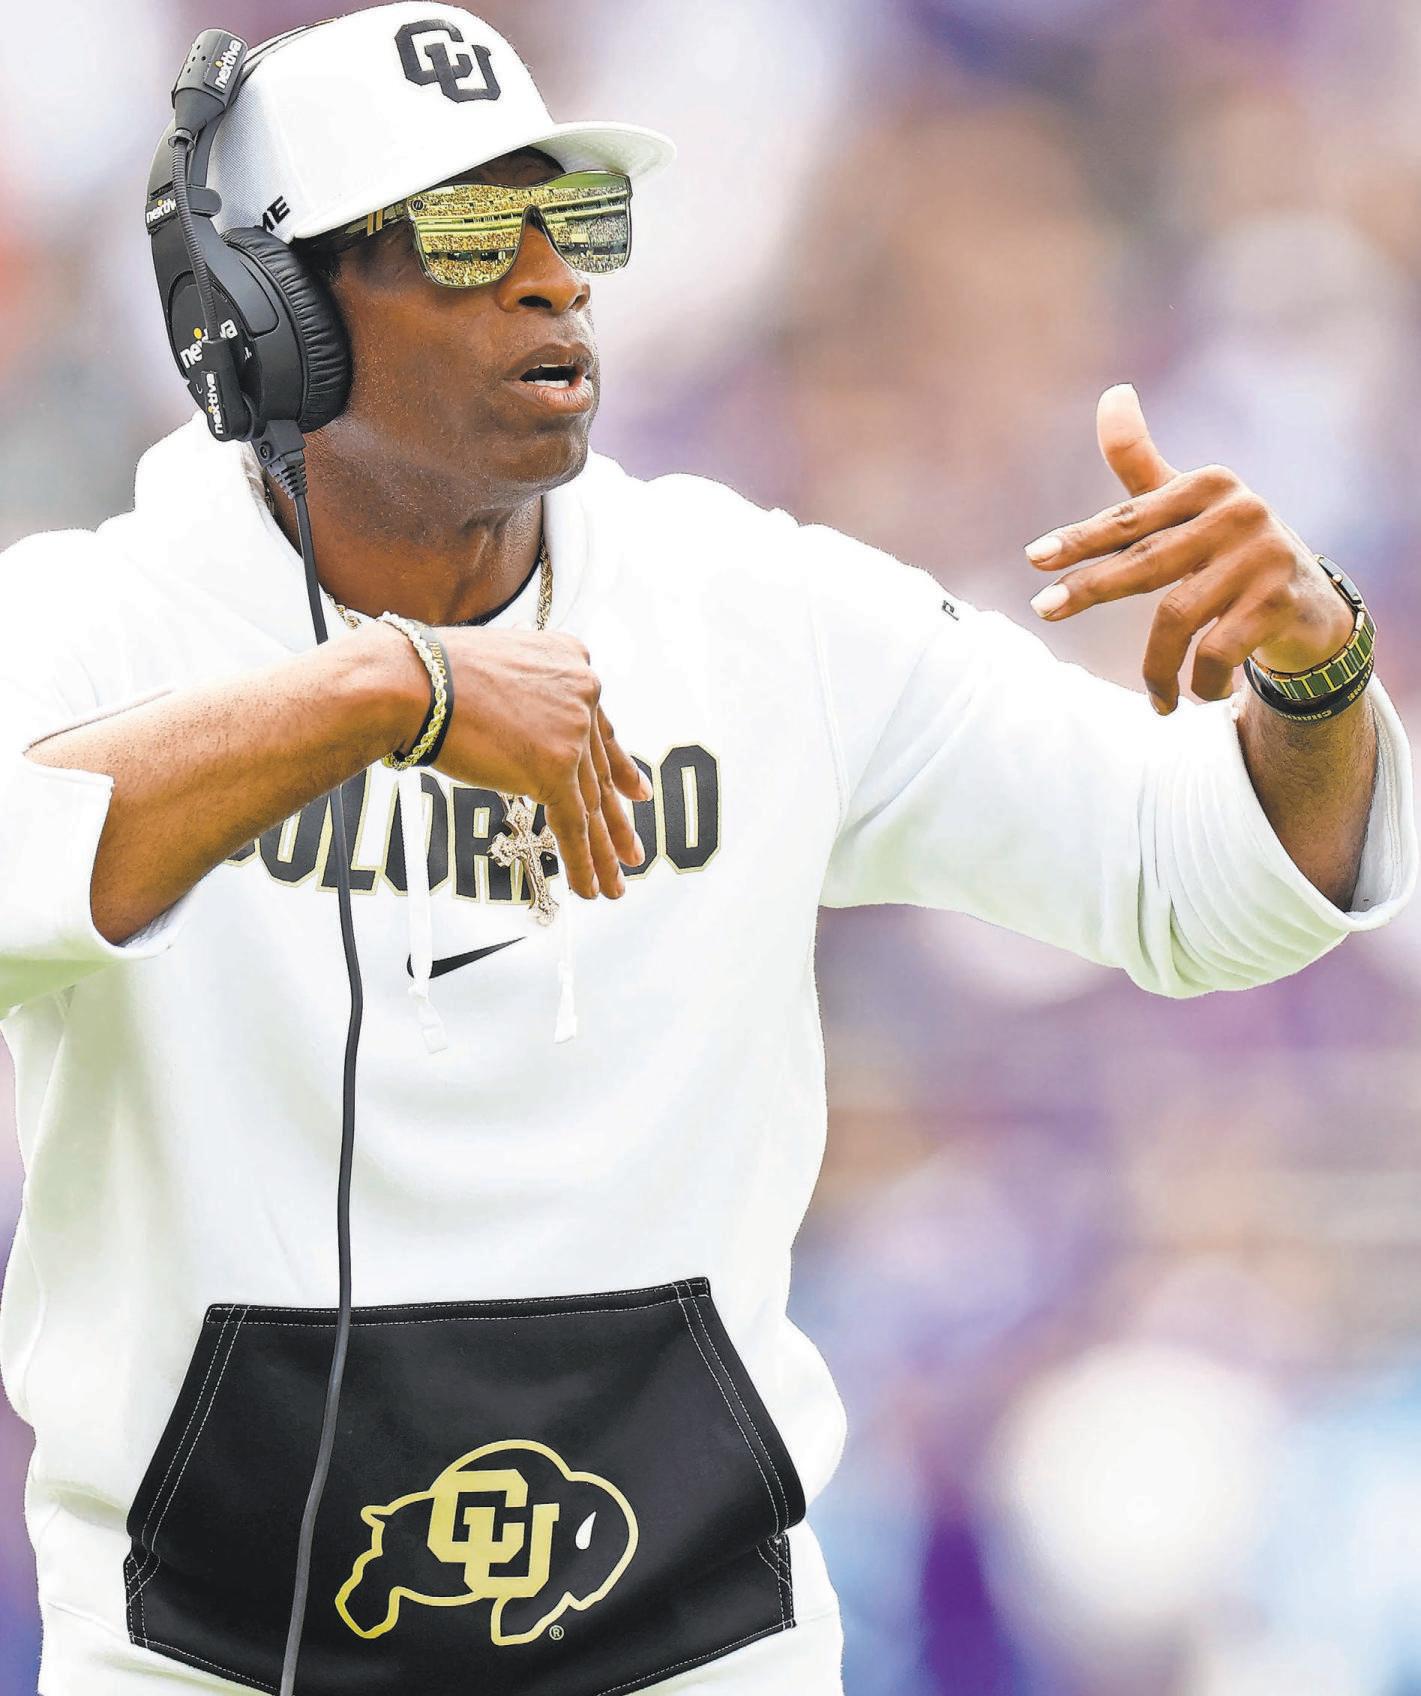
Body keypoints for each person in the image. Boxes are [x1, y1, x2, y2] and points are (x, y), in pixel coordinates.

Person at [0, 6, 1414, 1694]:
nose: (553, 283)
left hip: (692, 1648)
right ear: (270, 314)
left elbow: (1202, 882)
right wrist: (383, 692)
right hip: (208, 1660)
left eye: (573, 223)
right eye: (468, 236)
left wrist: (1312, 674)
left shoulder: (754, 609)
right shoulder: (87, 625)